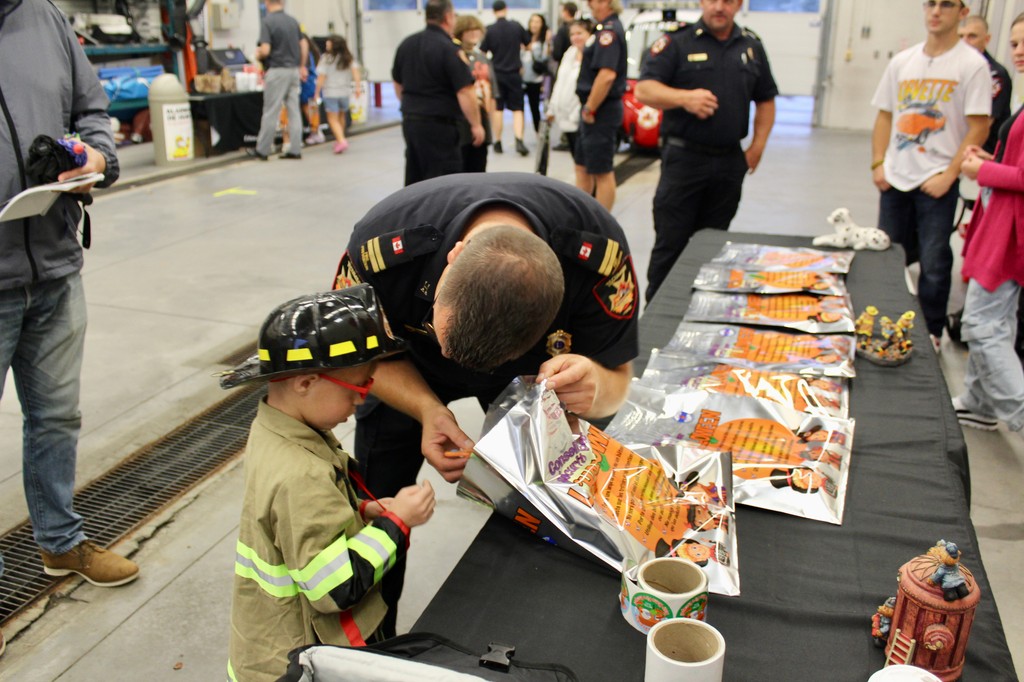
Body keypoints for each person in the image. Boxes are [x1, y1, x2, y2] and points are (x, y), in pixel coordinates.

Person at [331, 172, 639, 637]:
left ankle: (521, 634)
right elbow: (358, 361)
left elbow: (619, 379)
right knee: (376, 503)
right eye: (441, 329)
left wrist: (596, 384)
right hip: (407, 362)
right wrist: (426, 408)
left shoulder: (598, 258)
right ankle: (372, 644)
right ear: (452, 259)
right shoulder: (382, 250)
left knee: (543, 508)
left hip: (528, 378)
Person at [0, 0, 140, 654]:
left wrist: (95, 157)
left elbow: (91, 111)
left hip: (54, 262)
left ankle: (60, 543)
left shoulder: (45, 19)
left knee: (57, 415)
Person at [222, 286, 436, 682]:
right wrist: (397, 524)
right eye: (358, 388)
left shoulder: (278, 427)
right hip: (297, 661)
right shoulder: (300, 472)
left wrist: (359, 510)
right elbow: (333, 588)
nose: (361, 402)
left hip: (268, 645)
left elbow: (298, 522)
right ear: (305, 383)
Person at [635, 0, 778, 302]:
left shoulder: (751, 47)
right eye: (713, 0)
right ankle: (658, 312)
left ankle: (702, 308)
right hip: (684, 161)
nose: (719, 7)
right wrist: (684, 98)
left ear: (738, 5)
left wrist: (757, 147)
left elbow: (765, 100)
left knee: (714, 243)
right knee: (670, 242)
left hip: (729, 162)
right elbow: (644, 89)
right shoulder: (676, 43)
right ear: (702, 2)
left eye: (727, 1)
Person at [870, 0, 991, 351]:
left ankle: (931, 332)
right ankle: (887, 320)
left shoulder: (972, 65)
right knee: (889, 257)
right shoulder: (902, 62)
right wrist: (879, 163)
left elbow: (979, 127)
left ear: (962, 11)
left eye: (947, 5)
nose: (936, 11)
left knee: (935, 259)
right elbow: (884, 116)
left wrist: (950, 175)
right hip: (896, 176)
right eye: (931, 4)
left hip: (937, 178)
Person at [951, 12, 1024, 438]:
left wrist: (984, 172)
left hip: (1010, 232)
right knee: (995, 319)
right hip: (999, 224)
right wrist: (992, 163)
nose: (1018, 51)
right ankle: (979, 401)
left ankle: (1018, 410)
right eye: (1015, 43)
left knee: (983, 324)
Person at [392, 0, 484, 186]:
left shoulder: (407, 44)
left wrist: (413, 106)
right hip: (440, 126)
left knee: (415, 176)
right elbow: (465, 91)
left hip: (411, 122)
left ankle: (417, 214)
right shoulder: (449, 49)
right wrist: (476, 124)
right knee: (444, 182)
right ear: (448, 17)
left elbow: (397, 83)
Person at [575, 0, 628, 211]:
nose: (590, 6)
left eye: (593, 2)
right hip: (593, 109)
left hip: (600, 110)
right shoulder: (601, 30)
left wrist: (590, 107)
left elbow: (606, 75)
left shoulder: (609, 32)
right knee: (583, 166)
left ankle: (602, 222)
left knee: (601, 170)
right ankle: (583, 215)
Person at [250, 0, 308, 161]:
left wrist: (258, 54)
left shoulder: (267, 21)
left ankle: (262, 150)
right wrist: (302, 66)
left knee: (271, 111)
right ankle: (295, 149)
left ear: (267, 2)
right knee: (294, 111)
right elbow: (304, 45)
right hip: (293, 71)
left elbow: (266, 49)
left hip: (277, 71)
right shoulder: (292, 21)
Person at [481, 0, 530, 156]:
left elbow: (482, 53)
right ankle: (519, 139)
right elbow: (528, 45)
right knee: (518, 108)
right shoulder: (516, 26)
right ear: (506, 9)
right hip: (514, 72)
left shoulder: (490, 30)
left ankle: (498, 142)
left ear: (494, 11)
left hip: (497, 74)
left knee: (498, 108)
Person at [959, 15, 1012, 156]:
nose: (965, 42)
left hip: (982, 154)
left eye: (972, 36)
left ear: (986, 39)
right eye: (960, 37)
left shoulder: (994, 74)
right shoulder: (954, 70)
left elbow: (982, 125)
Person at [454, 15, 498, 172]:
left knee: (479, 167)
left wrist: (490, 120)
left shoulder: (483, 57)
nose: (473, 33)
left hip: (483, 116)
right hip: (462, 122)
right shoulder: (456, 55)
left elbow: (492, 89)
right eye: (468, 29)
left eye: (476, 29)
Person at [548, 19, 592, 160]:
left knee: (586, 161)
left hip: (582, 116)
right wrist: (552, 108)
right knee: (577, 159)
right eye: (573, 34)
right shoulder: (569, 53)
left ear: (589, 34)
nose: (576, 37)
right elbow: (560, 82)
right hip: (565, 116)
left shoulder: (593, 54)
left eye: (580, 33)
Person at [315, 34, 362, 154]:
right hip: (345, 92)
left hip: (331, 92)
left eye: (328, 43)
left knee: (332, 119)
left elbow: (321, 77)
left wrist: (316, 92)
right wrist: (357, 88)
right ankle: (340, 138)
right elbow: (356, 73)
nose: (326, 45)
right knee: (342, 115)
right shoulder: (348, 58)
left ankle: (341, 140)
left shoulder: (326, 58)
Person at [522, 13, 550, 134]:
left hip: (536, 78)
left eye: (537, 21)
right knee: (519, 109)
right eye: (532, 21)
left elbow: (545, 59)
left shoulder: (544, 40)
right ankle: (519, 135)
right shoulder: (523, 37)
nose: (534, 24)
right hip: (522, 78)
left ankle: (539, 133)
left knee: (535, 108)